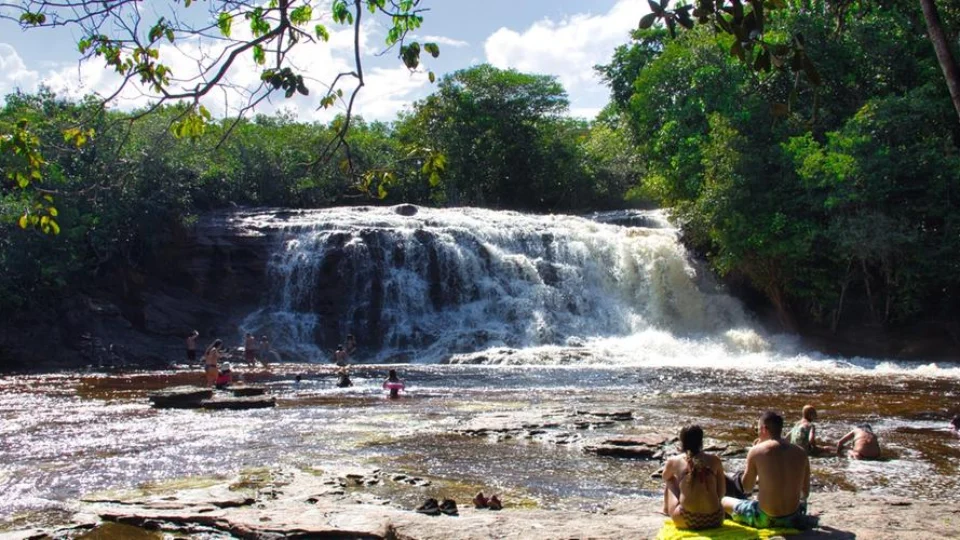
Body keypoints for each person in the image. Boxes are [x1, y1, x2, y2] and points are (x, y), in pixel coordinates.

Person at [722, 411, 810, 529]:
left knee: (724, 500)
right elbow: (805, 493)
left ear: (764, 429)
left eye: (758, 429)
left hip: (765, 519)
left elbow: (747, 488)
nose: (758, 433)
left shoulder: (756, 451)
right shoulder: (801, 452)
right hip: (794, 517)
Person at [662, 425, 726, 530]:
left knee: (670, 479)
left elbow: (665, 477)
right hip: (715, 519)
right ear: (701, 442)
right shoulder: (715, 460)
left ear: (682, 442)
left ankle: (665, 509)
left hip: (686, 519)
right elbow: (722, 492)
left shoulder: (674, 461)